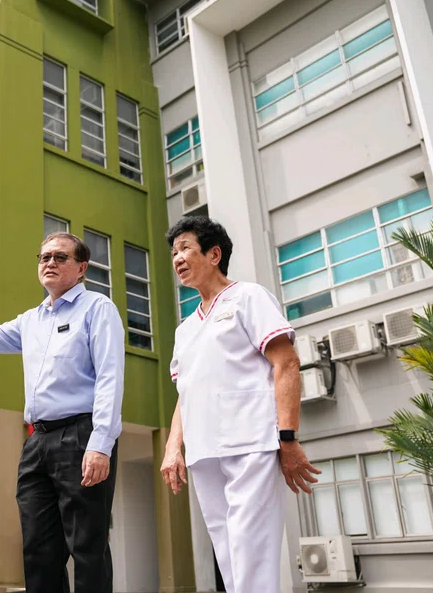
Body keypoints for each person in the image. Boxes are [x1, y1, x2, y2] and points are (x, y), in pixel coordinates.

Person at [159, 215, 320, 593]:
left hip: (251, 441)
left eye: (185, 248)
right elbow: (186, 392)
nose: (177, 258)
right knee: (229, 555)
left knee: (252, 553)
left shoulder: (249, 296)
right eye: (173, 252)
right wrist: (172, 447)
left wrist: (288, 437)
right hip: (204, 451)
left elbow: (287, 363)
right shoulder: (185, 328)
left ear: (214, 254)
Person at [0, 233, 124, 593]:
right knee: (38, 551)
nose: (49, 262)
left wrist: (101, 443)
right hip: (37, 442)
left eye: (60, 257)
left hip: (82, 435)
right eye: (44, 256)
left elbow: (110, 377)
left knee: (87, 547)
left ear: (81, 268)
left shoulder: (97, 308)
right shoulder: (31, 319)